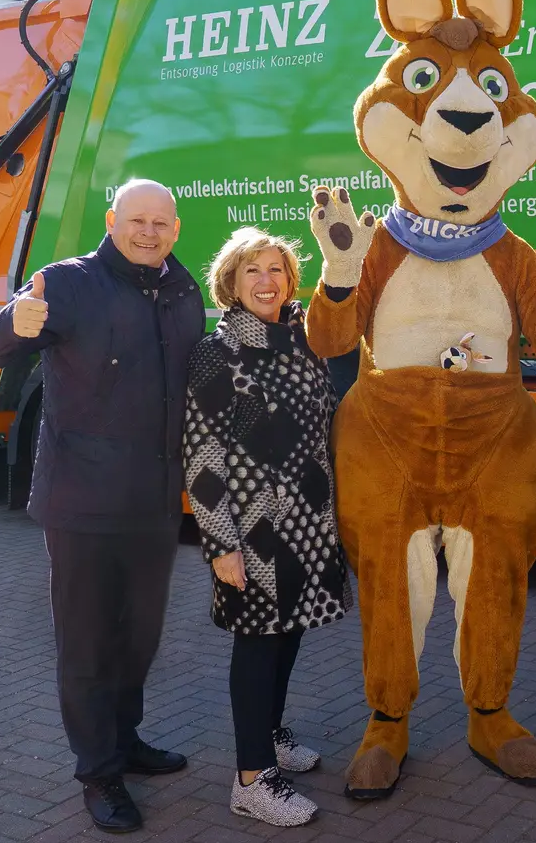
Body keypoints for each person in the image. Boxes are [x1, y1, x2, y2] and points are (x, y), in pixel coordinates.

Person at [0, 178, 204, 832]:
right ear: (113, 220)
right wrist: (5, 327)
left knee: (140, 638)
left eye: (161, 222)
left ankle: (125, 741)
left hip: (156, 502)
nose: (150, 232)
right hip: (83, 504)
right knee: (89, 645)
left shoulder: (184, 291)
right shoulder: (66, 284)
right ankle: (98, 773)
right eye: (138, 220)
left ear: (176, 229)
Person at [183, 227, 352, 828]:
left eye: (276, 270)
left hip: (308, 523)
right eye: (252, 270)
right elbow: (202, 459)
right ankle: (251, 778)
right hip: (254, 529)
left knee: (290, 632)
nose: (265, 281)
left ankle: (270, 731)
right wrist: (220, 544)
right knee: (257, 642)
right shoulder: (218, 353)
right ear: (230, 282)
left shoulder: (302, 341)